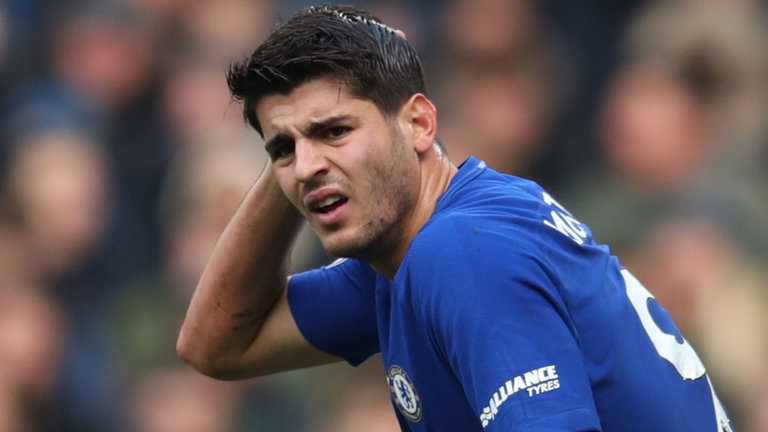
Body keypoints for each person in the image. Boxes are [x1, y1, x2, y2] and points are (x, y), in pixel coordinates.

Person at [177, 5, 735, 431]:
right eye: (282, 149)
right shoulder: (409, 253)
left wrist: (298, 144)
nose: (305, 167)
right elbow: (215, 345)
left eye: (335, 131)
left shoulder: (461, 251)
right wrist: (300, 147)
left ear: (419, 124)